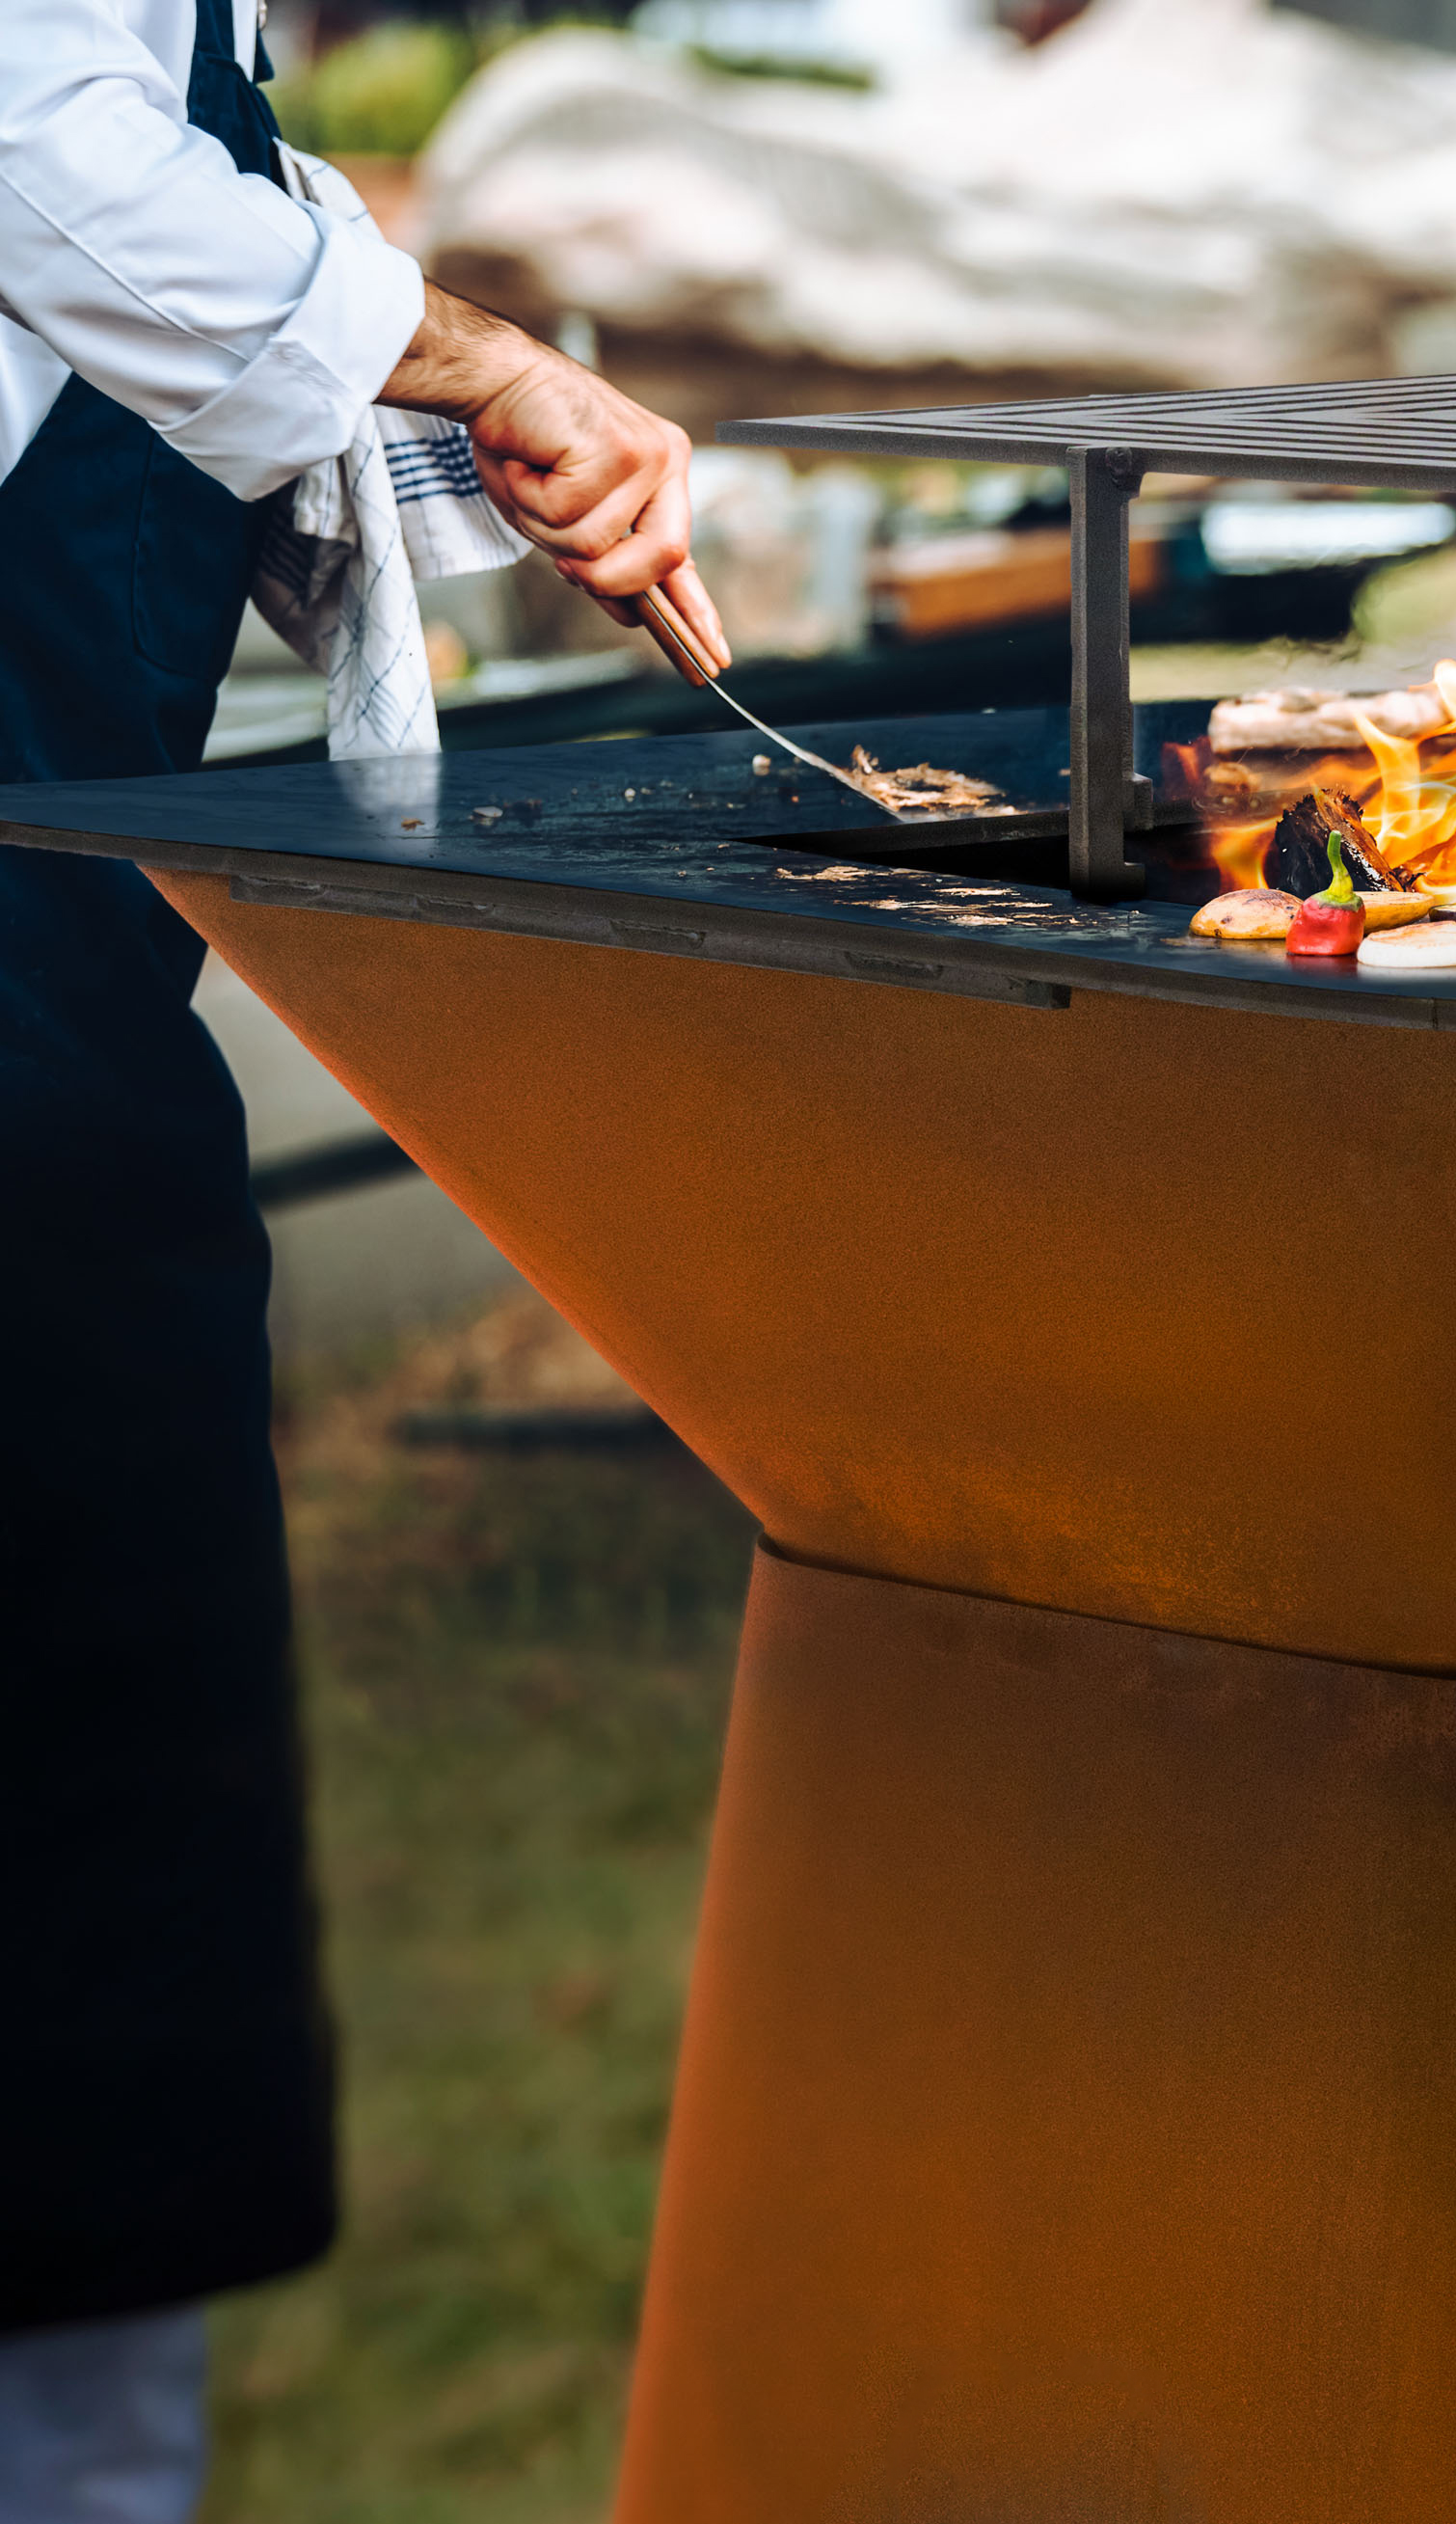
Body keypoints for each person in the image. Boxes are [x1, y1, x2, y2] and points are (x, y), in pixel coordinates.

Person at [0, 5, 724, 2512]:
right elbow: (34, 155)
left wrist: (449, 435)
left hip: (62, 1041)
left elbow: (123, 324)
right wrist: (482, 349)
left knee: (91, 2012)